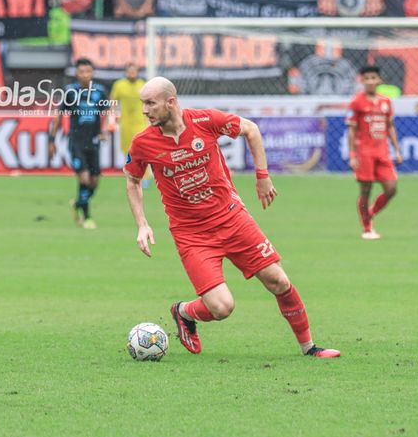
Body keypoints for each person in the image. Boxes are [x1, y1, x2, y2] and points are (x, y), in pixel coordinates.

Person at [124, 77, 340, 359]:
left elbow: (251, 129)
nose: (144, 110)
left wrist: (262, 176)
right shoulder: (143, 143)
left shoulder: (205, 120)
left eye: (150, 103)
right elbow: (132, 181)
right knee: (222, 307)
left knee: (279, 281)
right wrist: (142, 224)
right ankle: (183, 312)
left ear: (171, 102)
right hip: (192, 235)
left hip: (232, 218)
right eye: (143, 103)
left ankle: (309, 348)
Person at [49, 58, 109, 229]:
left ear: (92, 73)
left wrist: (104, 130)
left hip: (93, 142)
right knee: (84, 178)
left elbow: (108, 112)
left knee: (94, 182)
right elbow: (59, 117)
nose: (85, 75)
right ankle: (87, 217)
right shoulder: (70, 92)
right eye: (81, 72)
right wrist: (51, 140)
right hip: (76, 142)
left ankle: (78, 203)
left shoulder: (100, 92)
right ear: (76, 74)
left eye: (88, 72)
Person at [346, 66, 403, 240]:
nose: (370, 81)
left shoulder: (386, 102)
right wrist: (353, 155)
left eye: (373, 78)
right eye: (367, 78)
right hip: (365, 153)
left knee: (391, 188)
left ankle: (369, 213)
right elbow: (351, 131)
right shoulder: (357, 102)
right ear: (362, 81)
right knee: (366, 190)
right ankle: (367, 227)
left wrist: (397, 150)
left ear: (379, 80)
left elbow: (390, 127)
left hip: (383, 152)